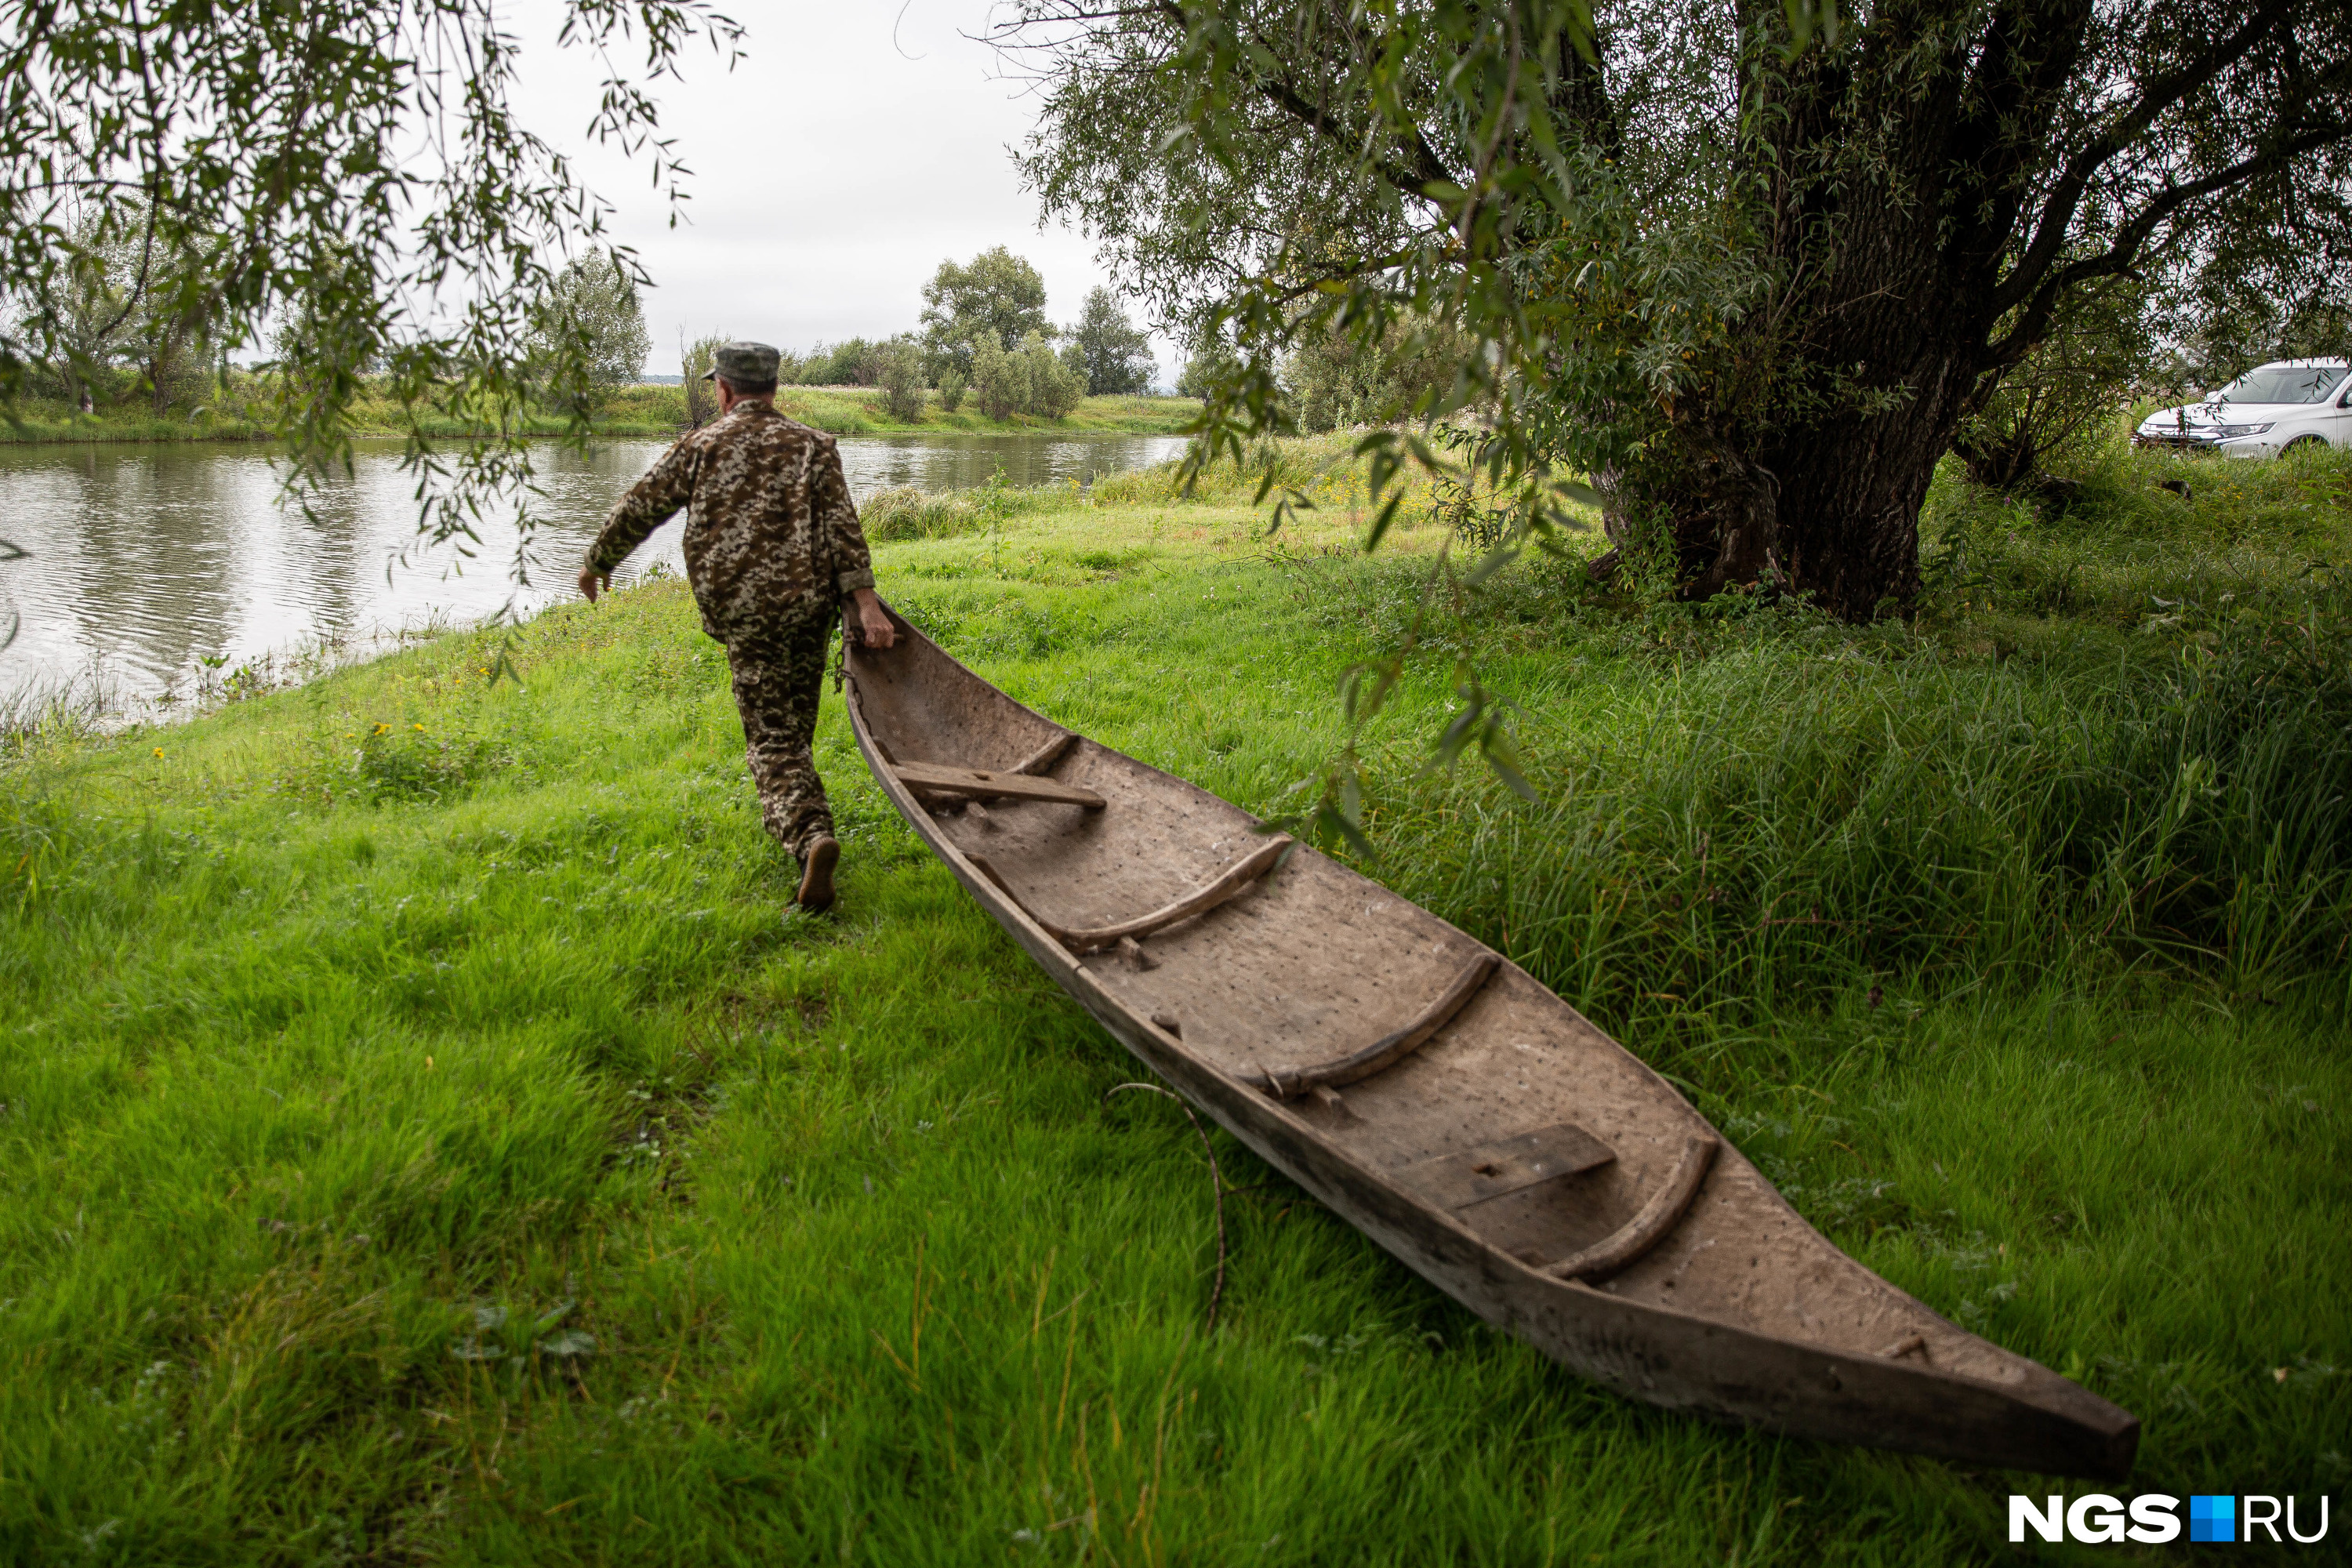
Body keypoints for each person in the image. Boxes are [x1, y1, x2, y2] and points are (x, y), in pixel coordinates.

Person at [576, 340, 895, 913]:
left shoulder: (702, 445)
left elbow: (643, 505)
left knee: (771, 739)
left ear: (722, 390)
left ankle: (809, 833)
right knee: (792, 726)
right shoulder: (813, 446)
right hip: (809, 609)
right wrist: (865, 604)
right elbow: (844, 530)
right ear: (773, 390)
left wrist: (599, 558)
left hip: (747, 615)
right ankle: (806, 836)